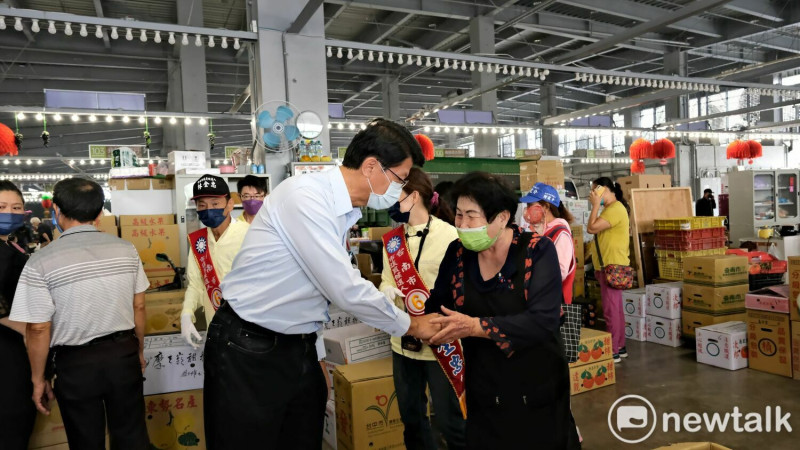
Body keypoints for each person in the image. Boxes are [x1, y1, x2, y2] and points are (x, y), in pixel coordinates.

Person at [203, 118, 440, 449]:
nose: (398, 191)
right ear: (372, 167)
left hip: (294, 346)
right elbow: (342, 287)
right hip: (248, 346)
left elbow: (311, 290)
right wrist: (412, 325)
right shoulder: (306, 197)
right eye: (399, 178)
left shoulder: (341, 211)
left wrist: (313, 355)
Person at [424, 172, 580, 450]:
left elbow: (543, 321)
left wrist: (474, 327)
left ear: (502, 217)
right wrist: (419, 322)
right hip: (483, 385)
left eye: (472, 215)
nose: (462, 224)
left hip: (537, 385)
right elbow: (437, 306)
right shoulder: (457, 253)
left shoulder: (537, 250)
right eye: (458, 215)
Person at [10, 178, 150, 449]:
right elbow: (140, 306)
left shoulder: (40, 261)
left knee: (86, 440)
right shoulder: (126, 249)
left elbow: (38, 329)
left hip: (76, 365)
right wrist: (139, 351)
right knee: (132, 435)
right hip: (123, 355)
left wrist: (38, 379)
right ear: (99, 214)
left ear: (57, 212)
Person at [379, 168, 464, 450]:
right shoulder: (392, 241)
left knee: (452, 419)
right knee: (411, 417)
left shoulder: (450, 235)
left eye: (395, 195)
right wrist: (386, 292)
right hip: (402, 342)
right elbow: (386, 280)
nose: (390, 202)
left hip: (441, 343)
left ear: (414, 196)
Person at [180, 175, 250, 349]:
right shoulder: (198, 241)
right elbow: (196, 284)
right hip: (216, 328)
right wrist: (187, 314)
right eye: (202, 205)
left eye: (215, 203)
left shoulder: (249, 235)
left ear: (230, 205)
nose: (208, 209)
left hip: (249, 329)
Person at [0, 181, 36, 449]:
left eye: (16, 207)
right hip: (6, 348)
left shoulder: (11, 246)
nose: (9, 213)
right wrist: (26, 330)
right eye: (1, 207)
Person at [587, 177, 631, 363]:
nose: (593, 195)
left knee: (611, 310)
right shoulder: (612, 209)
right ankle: (620, 347)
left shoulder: (615, 209)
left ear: (603, 189)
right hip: (610, 266)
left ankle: (613, 350)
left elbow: (591, 228)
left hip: (611, 267)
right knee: (616, 309)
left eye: (595, 191)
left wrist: (595, 205)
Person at [521, 182, 576, 302]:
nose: (528, 209)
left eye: (531, 205)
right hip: (540, 300)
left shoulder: (561, 234)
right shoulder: (541, 230)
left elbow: (560, 273)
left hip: (554, 304)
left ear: (546, 207)